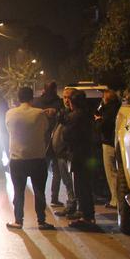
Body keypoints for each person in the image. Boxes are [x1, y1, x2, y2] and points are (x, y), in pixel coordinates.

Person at [5, 86, 55, 230]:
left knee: (18, 192)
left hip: (17, 159)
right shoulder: (39, 113)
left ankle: (18, 220)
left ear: (17, 98)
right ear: (32, 98)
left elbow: (8, 129)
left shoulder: (9, 113)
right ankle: (41, 220)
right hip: (37, 158)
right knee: (39, 191)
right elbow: (45, 129)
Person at [63, 89, 97, 227]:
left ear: (73, 103)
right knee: (86, 186)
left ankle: (86, 217)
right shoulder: (88, 115)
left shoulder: (74, 117)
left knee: (81, 186)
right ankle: (87, 214)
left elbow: (67, 135)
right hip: (88, 153)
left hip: (78, 154)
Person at [33, 81, 65, 206]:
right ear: (55, 90)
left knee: (42, 172)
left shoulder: (36, 103)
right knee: (57, 172)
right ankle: (54, 198)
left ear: (44, 90)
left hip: (42, 141)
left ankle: (40, 199)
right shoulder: (59, 103)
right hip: (57, 141)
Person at [51, 87, 78, 216]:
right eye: (65, 97)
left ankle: (72, 205)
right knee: (66, 181)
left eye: (69, 97)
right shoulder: (64, 112)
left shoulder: (72, 114)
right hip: (60, 152)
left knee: (70, 181)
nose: (66, 100)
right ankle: (71, 204)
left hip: (67, 153)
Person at [95, 88, 122, 212]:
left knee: (111, 172)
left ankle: (115, 200)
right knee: (115, 172)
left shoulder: (109, 110)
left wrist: (98, 120)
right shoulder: (118, 108)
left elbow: (104, 126)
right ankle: (116, 198)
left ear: (106, 98)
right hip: (115, 143)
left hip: (108, 143)